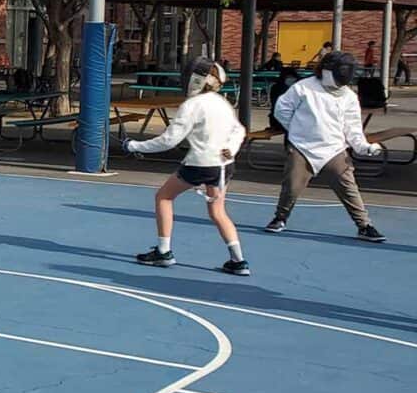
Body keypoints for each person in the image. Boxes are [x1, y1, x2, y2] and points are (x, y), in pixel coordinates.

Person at [125, 59, 250, 275]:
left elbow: (169, 140)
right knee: (218, 211)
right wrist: (231, 147)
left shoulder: (192, 105)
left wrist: (135, 145)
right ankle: (238, 261)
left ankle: (164, 252)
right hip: (224, 166)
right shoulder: (222, 102)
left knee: (163, 197)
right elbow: (239, 131)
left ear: (196, 80)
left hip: (201, 164)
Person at [266, 51, 387, 242]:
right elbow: (282, 109)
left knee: (348, 187)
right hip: (302, 148)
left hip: (334, 149)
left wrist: (363, 147)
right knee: (291, 186)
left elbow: (353, 128)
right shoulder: (304, 88)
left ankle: (364, 225)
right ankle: (280, 218)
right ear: (327, 70)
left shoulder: (348, 97)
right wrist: (297, 131)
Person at [267, 66, 300, 132]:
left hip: (277, 121)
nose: (292, 79)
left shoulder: (297, 88)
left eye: (293, 77)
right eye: (289, 77)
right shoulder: (278, 88)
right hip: (280, 121)